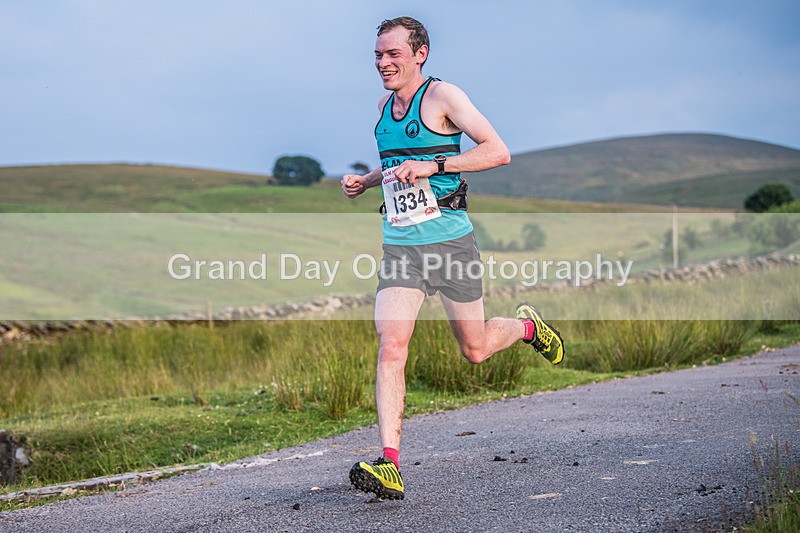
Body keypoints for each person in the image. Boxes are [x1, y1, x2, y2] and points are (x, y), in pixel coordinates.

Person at [341, 16, 564, 501]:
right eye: (377, 55)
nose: (383, 63)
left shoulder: (444, 97)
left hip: (451, 242)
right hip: (401, 244)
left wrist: (436, 164)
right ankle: (390, 463)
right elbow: (398, 163)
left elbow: (498, 151)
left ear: (420, 54)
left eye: (393, 54)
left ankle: (527, 327)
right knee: (392, 343)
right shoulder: (382, 106)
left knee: (476, 348)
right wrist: (368, 181)